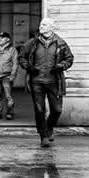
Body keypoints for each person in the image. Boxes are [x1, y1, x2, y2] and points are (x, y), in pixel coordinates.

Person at [18, 18, 74, 147]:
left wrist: (61, 65)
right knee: (39, 110)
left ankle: (49, 128)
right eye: (40, 24)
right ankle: (43, 136)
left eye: (44, 24)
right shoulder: (32, 43)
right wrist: (28, 67)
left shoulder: (60, 43)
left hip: (54, 81)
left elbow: (69, 58)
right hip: (37, 81)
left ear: (51, 27)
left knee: (57, 109)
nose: (41, 26)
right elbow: (21, 56)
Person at [0, 31, 19, 120]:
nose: (0, 39)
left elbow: (15, 64)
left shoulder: (13, 50)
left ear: (8, 39)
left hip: (7, 77)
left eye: (2, 37)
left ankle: (9, 113)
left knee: (8, 96)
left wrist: (13, 76)